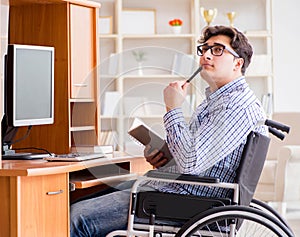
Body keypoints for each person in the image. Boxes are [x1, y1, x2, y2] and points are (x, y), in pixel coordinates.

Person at [70, 25, 267, 237]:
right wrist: (166, 156)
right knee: (83, 197)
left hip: (186, 201)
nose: (207, 55)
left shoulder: (236, 106)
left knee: (76, 218)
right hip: (176, 192)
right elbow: (195, 157)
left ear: (238, 63)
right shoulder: (219, 101)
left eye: (218, 50)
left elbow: (190, 162)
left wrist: (173, 108)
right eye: (205, 49)